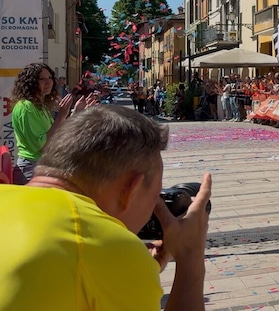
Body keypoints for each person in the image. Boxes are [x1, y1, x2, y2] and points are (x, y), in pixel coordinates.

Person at [0, 106, 212, 310]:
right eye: (155, 195)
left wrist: (120, 272)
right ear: (132, 188)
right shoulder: (106, 247)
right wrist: (189, 256)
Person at [10, 63, 94, 184]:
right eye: (42, 79)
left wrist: (76, 114)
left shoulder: (40, 106)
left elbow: (56, 133)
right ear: (30, 83)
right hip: (31, 169)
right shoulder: (26, 107)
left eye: (50, 78)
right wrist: (61, 116)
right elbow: (42, 146)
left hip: (41, 166)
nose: (48, 82)